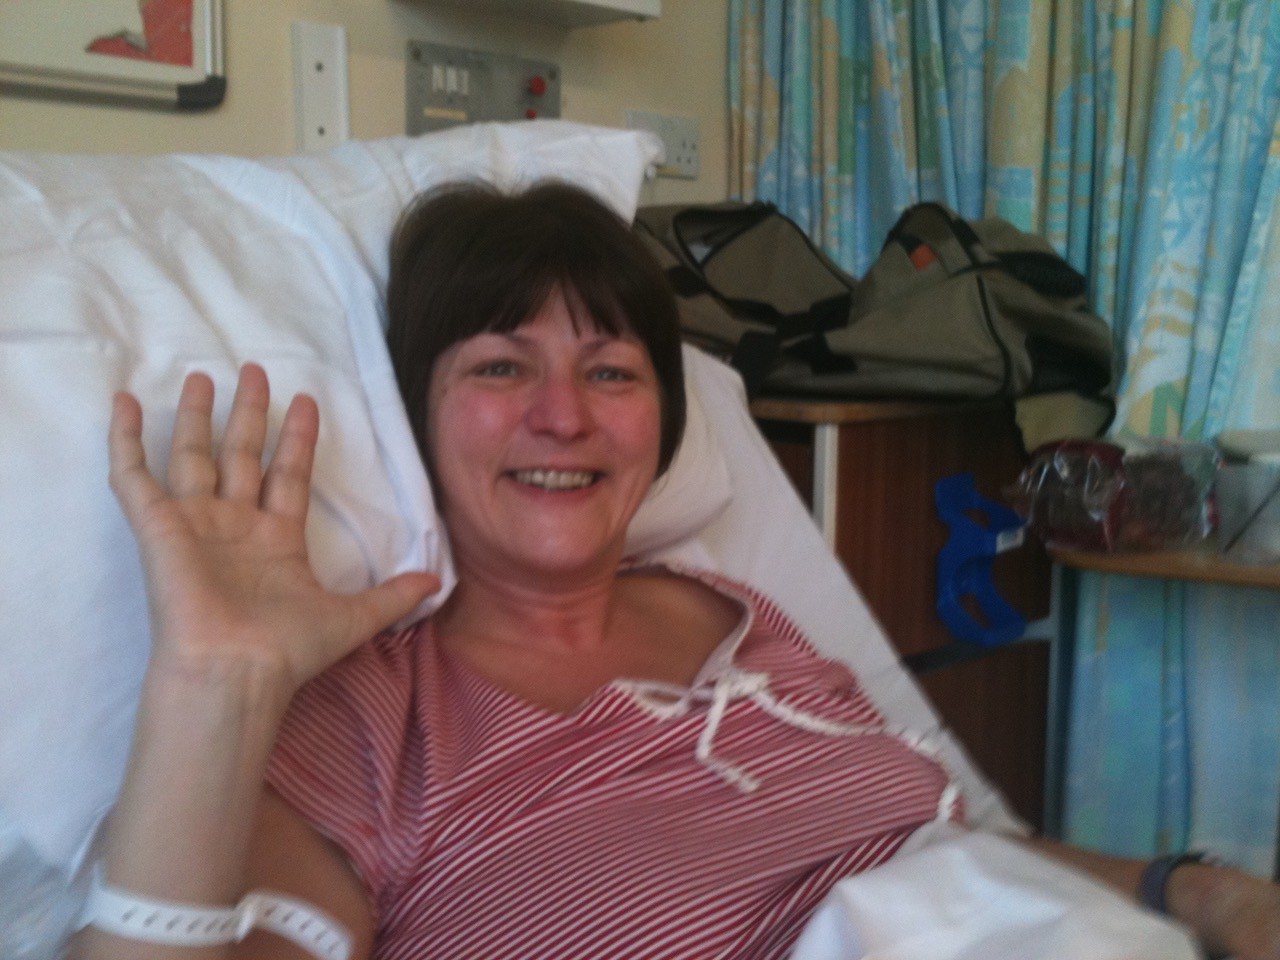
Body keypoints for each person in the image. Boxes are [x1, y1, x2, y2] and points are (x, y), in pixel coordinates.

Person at [74, 182, 1280, 960]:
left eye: (611, 372)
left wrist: (1190, 890)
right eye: (499, 368)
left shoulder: (745, 622)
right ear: (414, 421)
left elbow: (935, 850)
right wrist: (213, 683)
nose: (564, 417)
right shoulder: (372, 717)